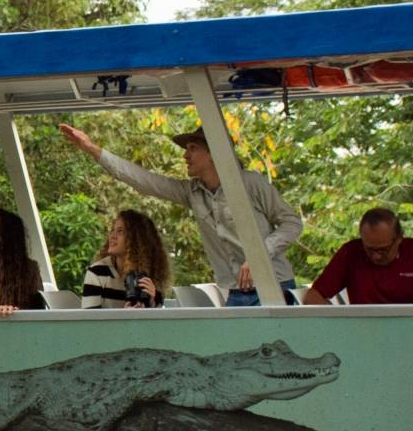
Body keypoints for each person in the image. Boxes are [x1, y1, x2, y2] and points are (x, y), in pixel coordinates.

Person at [58, 123, 303, 306]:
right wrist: (93, 150)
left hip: (274, 287)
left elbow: (292, 223)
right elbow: (145, 181)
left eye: (192, 148)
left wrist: (260, 255)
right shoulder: (192, 192)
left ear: (214, 152)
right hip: (235, 293)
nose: (185, 155)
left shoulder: (250, 183)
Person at [301, 207, 413, 305]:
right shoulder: (350, 252)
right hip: (365, 333)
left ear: (399, 238)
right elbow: (312, 297)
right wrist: (340, 322)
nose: (376, 257)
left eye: (383, 250)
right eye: (369, 249)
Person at [81, 209, 169, 308]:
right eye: (112, 230)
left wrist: (153, 300)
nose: (112, 236)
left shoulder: (149, 274)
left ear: (136, 239)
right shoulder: (97, 272)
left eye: (120, 231)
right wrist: (124, 316)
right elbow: (89, 321)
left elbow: (157, 321)